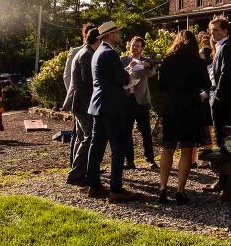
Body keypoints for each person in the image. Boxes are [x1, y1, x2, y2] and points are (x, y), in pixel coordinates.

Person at [157, 30, 211, 204]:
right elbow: (206, 85)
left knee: (168, 149)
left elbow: (161, 86)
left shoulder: (167, 61)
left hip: (171, 107)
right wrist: (200, 95)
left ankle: (163, 188)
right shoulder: (198, 63)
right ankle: (180, 191)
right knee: (186, 151)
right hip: (190, 108)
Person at [86, 21, 136, 203]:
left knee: (97, 146)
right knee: (118, 147)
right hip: (112, 106)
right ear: (110, 35)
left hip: (98, 105)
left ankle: (93, 185)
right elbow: (122, 79)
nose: (119, 35)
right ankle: (116, 189)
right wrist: (129, 74)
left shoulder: (97, 52)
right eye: (117, 33)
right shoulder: (110, 53)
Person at [205, 16, 231, 193]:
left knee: (226, 140)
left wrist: (217, 98)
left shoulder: (227, 48)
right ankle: (227, 178)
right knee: (226, 140)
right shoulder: (220, 47)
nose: (213, 33)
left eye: (216, 30)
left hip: (224, 102)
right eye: (211, 30)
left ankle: (226, 180)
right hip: (222, 100)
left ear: (225, 31)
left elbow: (228, 74)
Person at [66, 26, 100, 186]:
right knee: (89, 137)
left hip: (79, 103)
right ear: (97, 40)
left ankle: (77, 172)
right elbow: (89, 81)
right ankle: (76, 174)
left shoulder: (84, 52)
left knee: (81, 138)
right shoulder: (87, 55)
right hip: (84, 104)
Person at [122, 36, 157, 170]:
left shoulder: (146, 61)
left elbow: (152, 72)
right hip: (126, 100)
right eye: (133, 45)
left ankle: (150, 159)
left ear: (142, 48)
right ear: (129, 46)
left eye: (138, 45)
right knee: (126, 132)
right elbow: (118, 75)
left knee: (146, 132)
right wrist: (129, 67)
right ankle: (129, 161)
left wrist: (142, 64)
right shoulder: (123, 60)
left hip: (141, 100)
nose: (135, 47)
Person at [62, 23, 95, 166]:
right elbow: (67, 76)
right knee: (79, 134)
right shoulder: (77, 51)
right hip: (79, 99)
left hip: (88, 100)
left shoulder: (95, 52)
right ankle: (75, 165)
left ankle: (84, 165)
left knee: (83, 135)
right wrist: (73, 96)